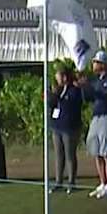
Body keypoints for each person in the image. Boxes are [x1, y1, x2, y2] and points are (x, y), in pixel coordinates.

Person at [80, 50, 107, 199]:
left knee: (106, 152)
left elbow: (106, 93)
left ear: (104, 64)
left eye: (96, 62)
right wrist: (83, 87)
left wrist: (90, 87)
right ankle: (102, 183)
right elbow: (89, 97)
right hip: (96, 117)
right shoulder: (96, 80)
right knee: (96, 151)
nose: (93, 65)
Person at [47, 65, 84, 194]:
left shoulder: (74, 89)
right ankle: (58, 181)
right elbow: (51, 103)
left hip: (70, 127)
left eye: (59, 75)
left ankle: (71, 182)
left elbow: (74, 104)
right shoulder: (57, 89)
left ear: (64, 76)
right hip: (57, 126)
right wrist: (55, 93)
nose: (57, 78)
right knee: (59, 155)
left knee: (69, 154)